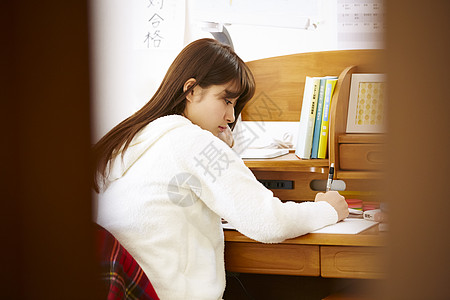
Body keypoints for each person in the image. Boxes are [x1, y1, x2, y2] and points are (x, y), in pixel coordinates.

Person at [93, 38, 348, 300]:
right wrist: (328, 208)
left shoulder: (133, 139)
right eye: (226, 100)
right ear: (191, 90)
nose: (231, 116)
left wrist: (223, 144)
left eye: (235, 105)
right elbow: (270, 222)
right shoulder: (191, 141)